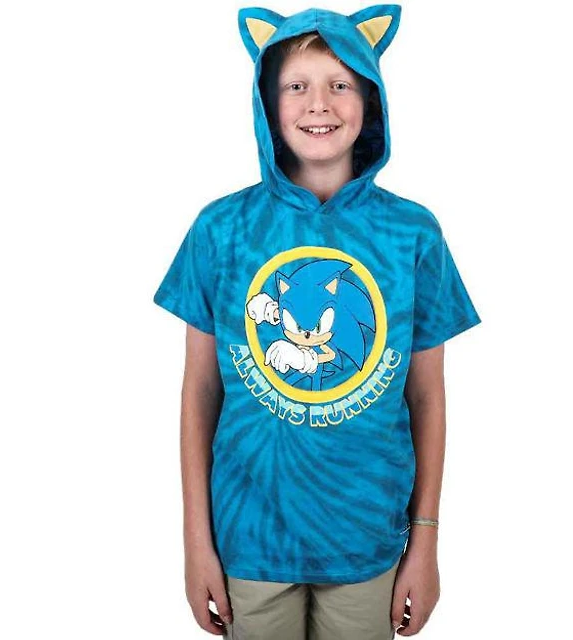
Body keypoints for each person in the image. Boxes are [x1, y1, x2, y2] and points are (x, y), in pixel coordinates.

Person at [153, 5, 481, 639]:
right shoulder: (221, 229)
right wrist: (196, 541)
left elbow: (427, 397)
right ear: (267, 104)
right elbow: (199, 391)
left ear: (370, 98)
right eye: (296, 85)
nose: (319, 103)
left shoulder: (413, 233)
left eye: (341, 83)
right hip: (247, 537)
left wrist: (425, 541)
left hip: (368, 538)